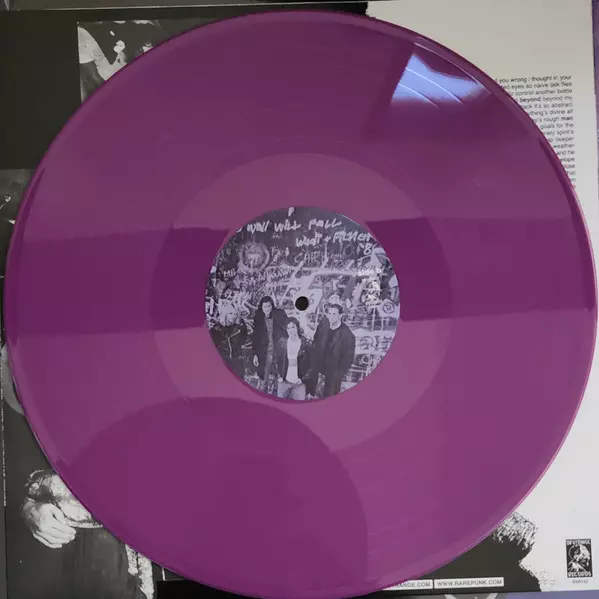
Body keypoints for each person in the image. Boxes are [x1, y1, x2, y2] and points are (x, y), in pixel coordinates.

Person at [312, 303, 356, 397]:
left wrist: (337, 374)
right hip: (319, 369)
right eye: (329, 313)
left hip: (333, 374)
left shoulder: (347, 335)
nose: (331, 317)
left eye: (334, 314)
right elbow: (315, 342)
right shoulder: (323, 325)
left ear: (340, 315)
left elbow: (348, 359)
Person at [251, 296, 288, 392]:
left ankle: (276, 393)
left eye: (269, 306)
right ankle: (263, 394)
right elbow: (255, 338)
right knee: (264, 377)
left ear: (272, 306)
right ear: (261, 308)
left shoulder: (279, 316)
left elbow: (286, 331)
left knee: (279, 376)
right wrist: (255, 354)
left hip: (278, 351)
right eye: (265, 307)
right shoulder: (258, 319)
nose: (267, 309)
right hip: (265, 352)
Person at [275, 318, 312, 401]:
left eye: (293, 327)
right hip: (284, 382)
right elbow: (276, 360)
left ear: (297, 328)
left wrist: (303, 379)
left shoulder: (305, 344)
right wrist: (279, 375)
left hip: (299, 384)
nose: (290, 330)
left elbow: (312, 365)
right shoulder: (282, 343)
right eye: (288, 328)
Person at [210, 299, 249, 379]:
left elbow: (243, 339)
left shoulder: (240, 327)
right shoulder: (217, 329)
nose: (233, 316)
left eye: (235, 314)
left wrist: (240, 325)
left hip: (237, 363)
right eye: (230, 313)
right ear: (225, 314)